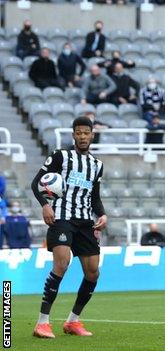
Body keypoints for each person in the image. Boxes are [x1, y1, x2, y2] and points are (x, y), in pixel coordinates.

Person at [31, 117, 107, 338]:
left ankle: (73, 321)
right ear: (73, 135)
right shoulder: (60, 156)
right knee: (62, 264)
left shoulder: (97, 165)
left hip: (85, 223)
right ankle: (42, 323)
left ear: (92, 135)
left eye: (86, 133)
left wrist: (102, 214)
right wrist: (45, 205)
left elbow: (95, 197)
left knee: (93, 273)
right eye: (79, 133)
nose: (83, 136)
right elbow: (37, 182)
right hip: (61, 218)